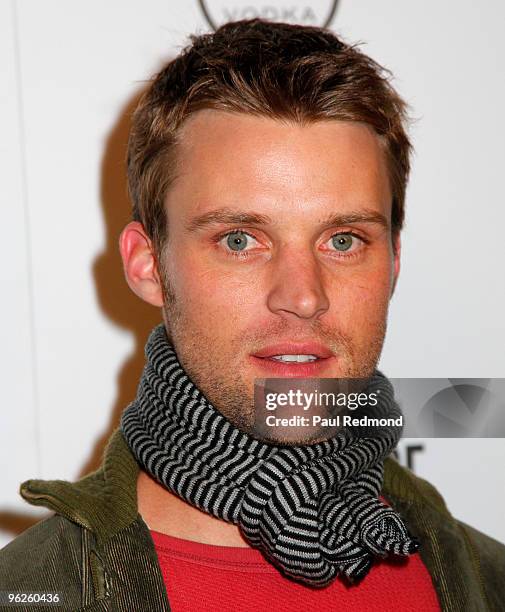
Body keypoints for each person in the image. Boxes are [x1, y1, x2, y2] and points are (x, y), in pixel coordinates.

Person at [1, 19, 504, 612]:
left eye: (343, 240)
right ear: (148, 266)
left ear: (392, 263)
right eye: (240, 239)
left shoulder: (488, 581)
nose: (303, 295)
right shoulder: (28, 591)